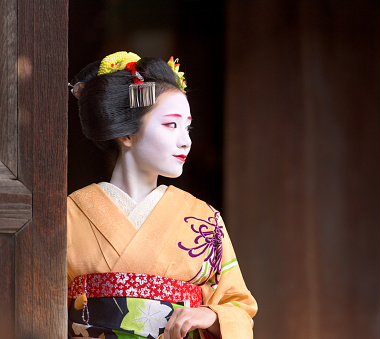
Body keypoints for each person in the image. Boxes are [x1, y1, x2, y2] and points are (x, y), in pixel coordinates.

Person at [67, 51, 257, 339]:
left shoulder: (205, 218)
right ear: (126, 133)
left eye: (188, 126)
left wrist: (212, 315)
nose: (186, 140)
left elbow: (239, 307)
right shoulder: (68, 214)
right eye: (171, 124)